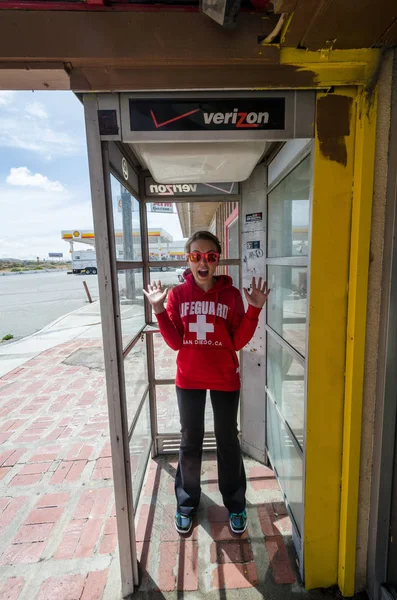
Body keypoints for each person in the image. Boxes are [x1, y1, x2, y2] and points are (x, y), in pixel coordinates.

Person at [143, 230, 270, 535]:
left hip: (225, 378)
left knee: (228, 441)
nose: (203, 262)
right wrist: (159, 310)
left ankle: (236, 504)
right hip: (189, 379)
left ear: (217, 260)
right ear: (189, 259)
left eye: (210, 256)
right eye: (196, 256)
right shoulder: (176, 295)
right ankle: (187, 503)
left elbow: (237, 340)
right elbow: (175, 343)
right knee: (190, 441)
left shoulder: (229, 295)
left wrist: (254, 309)